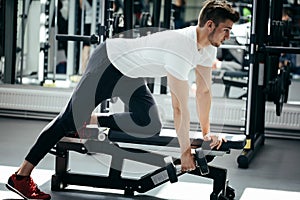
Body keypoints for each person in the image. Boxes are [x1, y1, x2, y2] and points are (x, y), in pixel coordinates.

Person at [6, 1, 239, 199]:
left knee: (149, 123)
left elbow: (204, 92)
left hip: (131, 73)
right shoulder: (181, 47)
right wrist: (185, 151)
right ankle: (21, 176)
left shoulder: (208, 47)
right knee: (68, 120)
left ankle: (91, 118)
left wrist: (207, 133)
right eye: (226, 30)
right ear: (210, 25)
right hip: (110, 61)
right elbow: (179, 107)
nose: (228, 36)